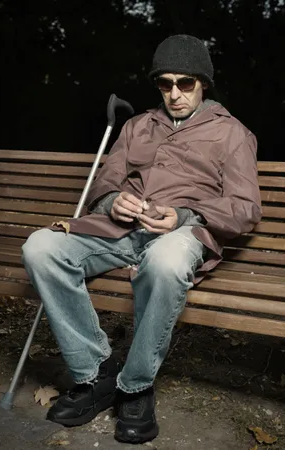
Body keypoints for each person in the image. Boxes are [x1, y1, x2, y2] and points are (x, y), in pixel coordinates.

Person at [22, 34, 262, 444]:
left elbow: (244, 207)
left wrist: (185, 215)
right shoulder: (137, 126)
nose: (174, 94)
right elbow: (106, 180)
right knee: (40, 248)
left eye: (185, 83)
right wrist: (113, 201)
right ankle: (95, 374)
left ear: (203, 83)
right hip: (121, 230)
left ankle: (135, 386)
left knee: (166, 261)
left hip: (182, 232)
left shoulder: (232, 134)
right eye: (164, 84)